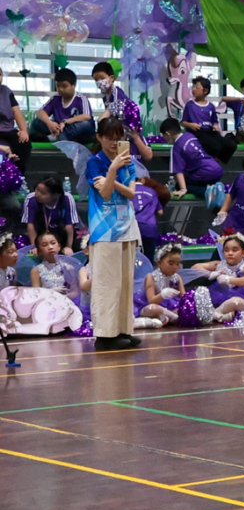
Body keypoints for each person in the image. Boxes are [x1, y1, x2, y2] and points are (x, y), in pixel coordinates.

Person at [84, 117, 143, 351]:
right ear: (99, 137)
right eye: (109, 138)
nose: (113, 143)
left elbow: (131, 193)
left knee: (125, 283)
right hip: (104, 231)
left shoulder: (128, 162)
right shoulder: (94, 163)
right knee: (107, 284)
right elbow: (106, 194)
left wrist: (116, 176)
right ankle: (104, 336)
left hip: (127, 227)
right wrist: (112, 169)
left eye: (118, 138)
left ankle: (123, 330)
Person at [92, 62, 153, 163]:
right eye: (96, 80)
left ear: (112, 78)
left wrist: (102, 120)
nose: (99, 82)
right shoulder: (105, 95)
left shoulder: (117, 93)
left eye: (102, 78)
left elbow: (109, 114)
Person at [195, 233, 244, 322]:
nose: (230, 253)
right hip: (219, 299)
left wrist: (228, 279)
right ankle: (220, 315)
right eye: (226, 250)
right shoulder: (220, 264)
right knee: (201, 293)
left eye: (234, 250)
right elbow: (196, 267)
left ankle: (213, 314)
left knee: (236, 301)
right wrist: (211, 274)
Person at [162, 117, 224, 198]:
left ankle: (209, 193)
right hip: (217, 169)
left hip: (205, 172)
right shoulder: (189, 135)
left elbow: (179, 172)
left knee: (180, 185)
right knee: (195, 180)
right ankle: (215, 189)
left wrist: (183, 189)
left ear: (167, 134)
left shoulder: (177, 148)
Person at [179, 76, 236, 162]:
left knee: (231, 145)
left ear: (205, 91)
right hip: (198, 132)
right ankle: (208, 163)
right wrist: (190, 125)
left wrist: (215, 125)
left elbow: (214, 121)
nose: (193, 89)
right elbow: (183, 122)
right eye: (193, 87)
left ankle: (216, 161)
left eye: (197, 87)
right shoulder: (190, 105)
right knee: (214, 146)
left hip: (210, 132)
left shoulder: (211, 106)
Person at [30, 68, 94, 144]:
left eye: (64, 86)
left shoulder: (81, 98)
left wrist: (65, 122)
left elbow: (87, 116)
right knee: (37, 122)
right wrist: (49, 123)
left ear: (73, 85)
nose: (61, 89)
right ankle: (58, 136)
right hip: (60, 128)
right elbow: (40, 112)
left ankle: (57, 137)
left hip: (76, 130)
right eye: (58, 86)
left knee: (85, 124)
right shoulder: (56, 98)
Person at [137, 243, 187, 327]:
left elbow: (184, 297)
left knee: (183, 310)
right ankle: (174, 317)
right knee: (151, 309)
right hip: (155, 306)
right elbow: (151, 301)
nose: (175, 267)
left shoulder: (177, 278)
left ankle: (165, 318)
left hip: (172, 307)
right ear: (159, 262)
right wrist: (162, 295)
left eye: (178, 264)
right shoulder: (151, 277)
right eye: (171, 263)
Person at [25, 178, 77, 249]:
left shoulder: (67, 198)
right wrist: (34, 247)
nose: (37, 194)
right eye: (37, 190)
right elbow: (31, 225)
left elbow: (69, 226)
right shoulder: (31, 198)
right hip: (40, 234)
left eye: (43, 193)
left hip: (61, 234)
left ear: (55, 195)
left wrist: (68, 247)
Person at [0, 67, 29, 166]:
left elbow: (16, 111)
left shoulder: (6, 91)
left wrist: (24, 130)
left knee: (24, 143)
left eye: (0, 75)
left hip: (7, 129)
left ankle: (18, 172)